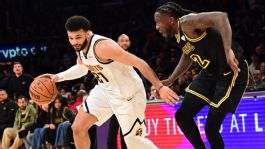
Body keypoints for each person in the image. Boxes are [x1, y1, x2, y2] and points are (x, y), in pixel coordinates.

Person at [40, 16, 178, 149]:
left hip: (129, 95)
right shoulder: (80, 48)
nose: (74, 42)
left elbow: (139, 62)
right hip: (105, 90)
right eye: (71, 38)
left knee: (134, 143)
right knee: (77, 128)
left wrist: (159, 87)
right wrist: (57, 77)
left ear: (87, 34)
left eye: (78, 37)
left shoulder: (103, 47)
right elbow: (82, 67)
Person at [154, 2, 249, 149]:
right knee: (183, 116)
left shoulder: (187, 22)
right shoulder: (179, 33)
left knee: (211, 129)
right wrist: (171, 79)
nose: (157, 27)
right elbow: (188, 54)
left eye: (158, 22)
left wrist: (228, 49)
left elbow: (221, 17)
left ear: (170, 20)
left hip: (230, 70)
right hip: (210, 74)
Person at [107, 34, 131, 149]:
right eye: (122, 41)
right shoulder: (111, 58)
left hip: (128, 99)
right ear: (117, 43)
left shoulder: (132, 58)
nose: (125, 43)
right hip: (115, 98)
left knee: (126, 131)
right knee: (112, 129)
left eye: (127, 41)